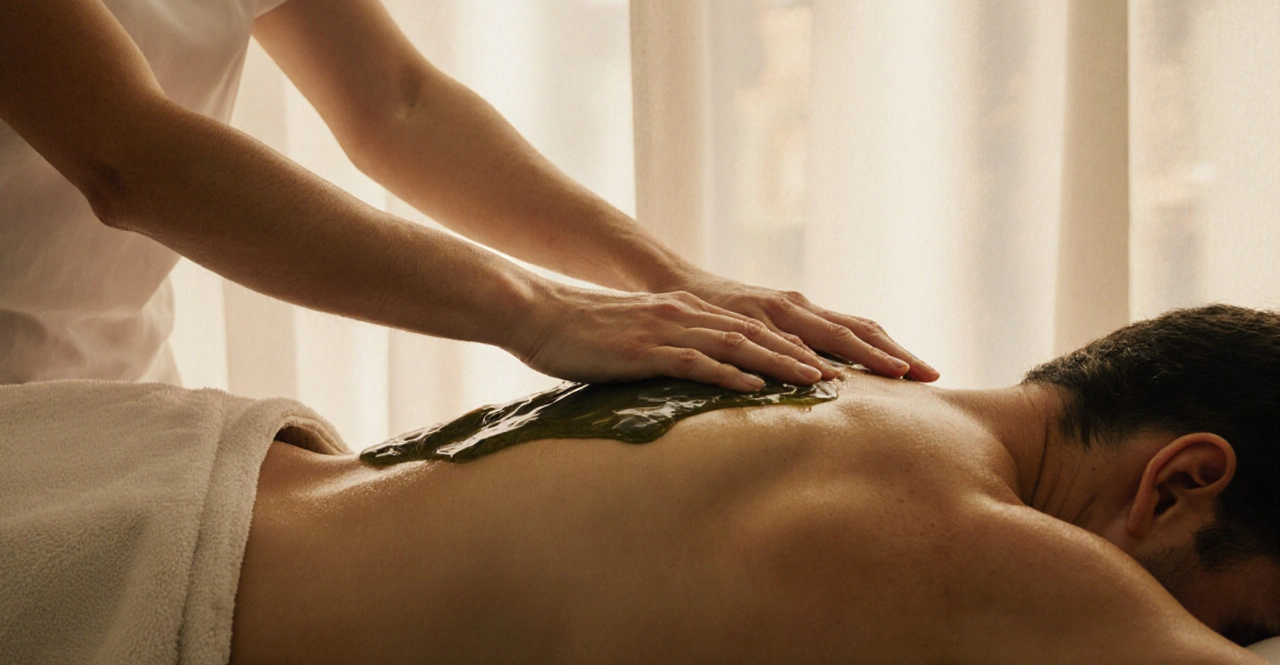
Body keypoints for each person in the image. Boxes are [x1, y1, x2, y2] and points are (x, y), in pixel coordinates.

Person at [0, 0, 937, 391]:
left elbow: (397, 103)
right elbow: (127, 157)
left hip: (126, 394)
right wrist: (537, 311)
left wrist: (676, 280)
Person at [227, 304, 1280, 664]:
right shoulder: (967, 538)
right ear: (1178, 483)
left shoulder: (836, 383)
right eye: (1240, 623)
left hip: (175, 466)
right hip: (131, 606)